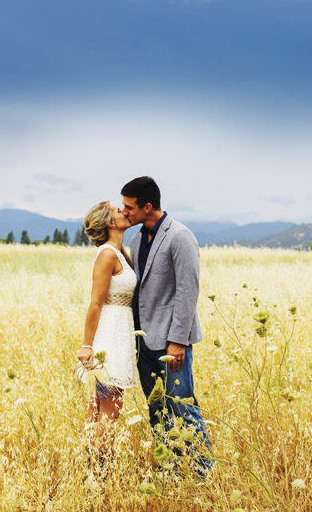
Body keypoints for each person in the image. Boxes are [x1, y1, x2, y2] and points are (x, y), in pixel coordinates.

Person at [121, 176, 213, 475]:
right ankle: (169, 469)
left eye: (129, 208)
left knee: (184, 408)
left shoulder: (180, 236)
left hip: (171, 343)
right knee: (156, 409)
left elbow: (188, 291)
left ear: (148, 207)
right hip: (143, 341)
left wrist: (178, 340)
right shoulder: (136, 239)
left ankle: (204, 471)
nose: (125, 213)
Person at [76, 201, 139, 450]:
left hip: (120, 331)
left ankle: (90, 469)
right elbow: (95, 304)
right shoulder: (106, 254)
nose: (124, 211)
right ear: (110, 222)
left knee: (100, 406)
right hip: (110, 334)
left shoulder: (119, 251)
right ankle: (100, 472)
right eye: (118, 210)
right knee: (110, 408)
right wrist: (87, 345)